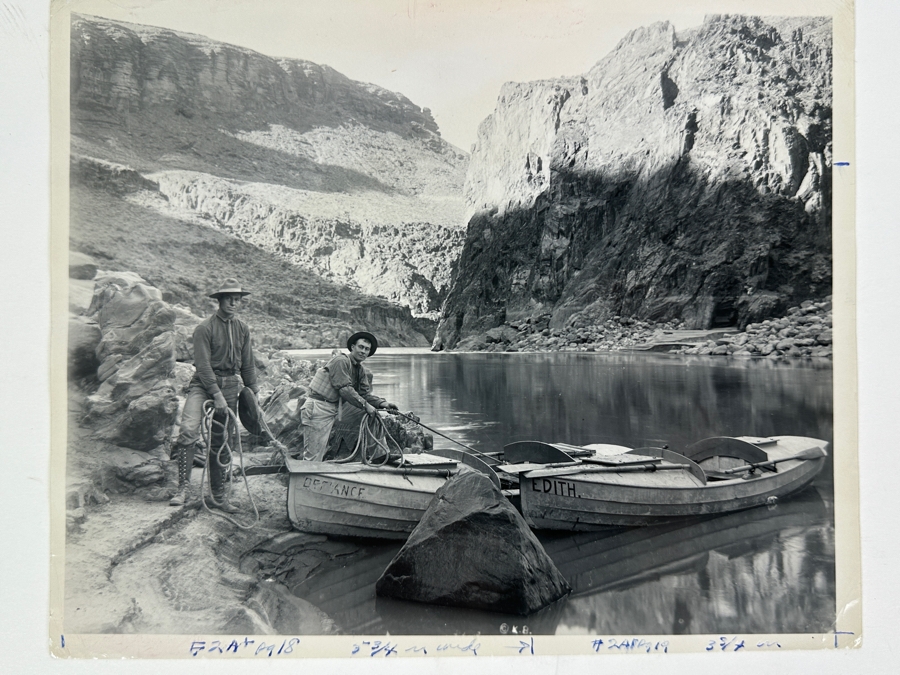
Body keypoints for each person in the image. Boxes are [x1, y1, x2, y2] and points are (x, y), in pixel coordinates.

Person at [170, 278, 259, 511]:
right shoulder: (204, 328)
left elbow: (248, 364)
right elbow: (202, 366)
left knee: (222, 441)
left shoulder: (243, 329)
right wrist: (216, 394)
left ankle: (218, 496)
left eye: (237, 299)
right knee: (188, 430)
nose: (233, 302)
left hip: (231, 383)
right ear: (219, 300)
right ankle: (183, 490)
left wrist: (253, 393)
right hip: (203, 384)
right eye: (228, 298)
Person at [300, 331, 398, 461]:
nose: (363, 351)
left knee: (373, 415)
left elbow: (364, 395)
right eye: (361, 347)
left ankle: (379, 455)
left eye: (367, 349)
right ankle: (308, 474)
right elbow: (345, 390)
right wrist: (366, 405)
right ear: (352, 347)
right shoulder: (340, 361)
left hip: (337, 409)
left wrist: (383, 404)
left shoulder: (360, 370)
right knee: (313, 456)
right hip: (318, 407)